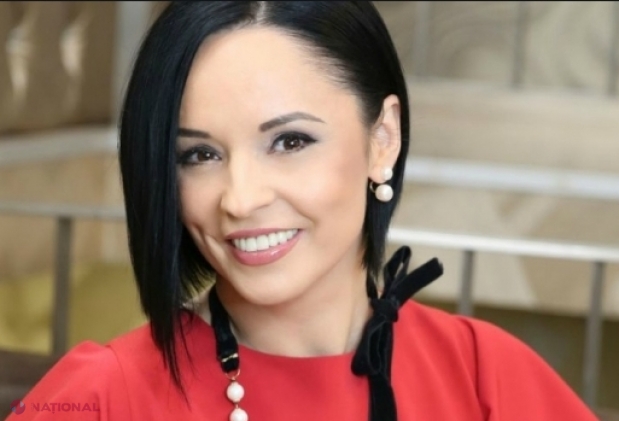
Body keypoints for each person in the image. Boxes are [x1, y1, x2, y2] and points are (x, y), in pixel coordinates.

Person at [6, 2, 599, 420]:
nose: (240, 199)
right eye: (199, 155)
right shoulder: (103, 397)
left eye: (290, 141)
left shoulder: (485, 377)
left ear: (383, 140)